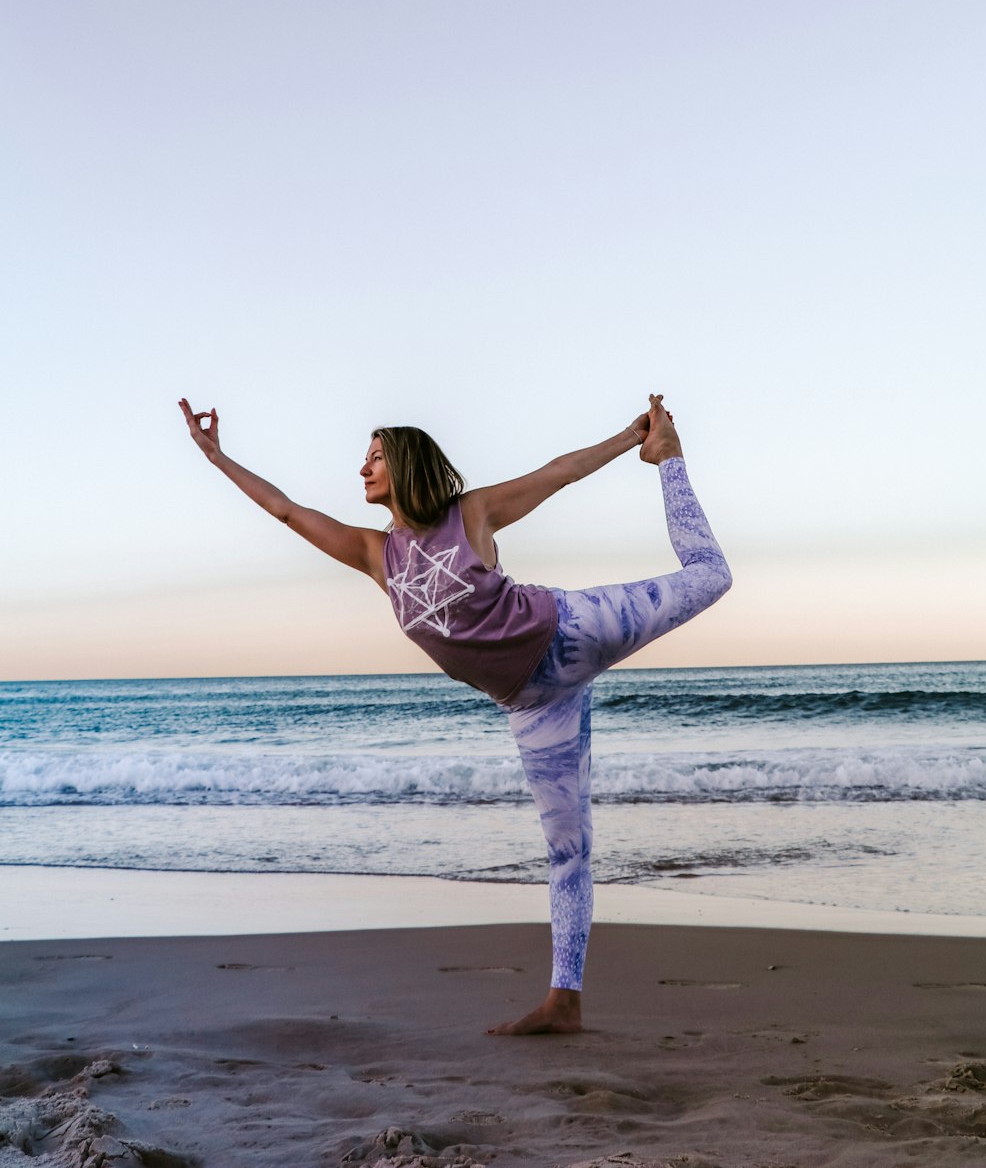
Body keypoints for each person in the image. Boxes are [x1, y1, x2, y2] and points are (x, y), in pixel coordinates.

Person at [178, 394, 732, 1034]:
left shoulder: (469, 515)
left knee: (711, 576)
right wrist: (216, 456)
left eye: (376, 457)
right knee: (567, 850)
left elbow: (558, 474)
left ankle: (669, 461)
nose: (363, 468)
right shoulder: (372, 554)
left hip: (572, 632)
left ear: (408, 463)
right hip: (531, 704)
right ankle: (564, 1003)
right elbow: (285, 509)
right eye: (364, 458)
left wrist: (630, 437)